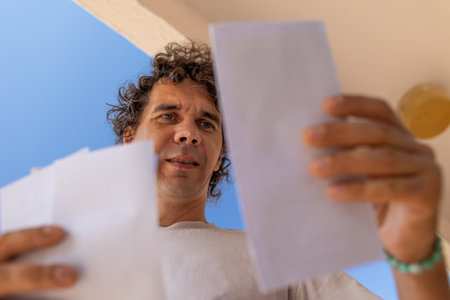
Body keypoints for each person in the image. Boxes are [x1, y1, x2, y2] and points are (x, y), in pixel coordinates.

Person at [0, 41, 448, 299]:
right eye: (168, 116)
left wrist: (415, 253)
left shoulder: (274, 259)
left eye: (207, 124)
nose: (188, 133)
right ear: (130, 138)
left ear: (218, 156)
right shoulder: (49, 258)